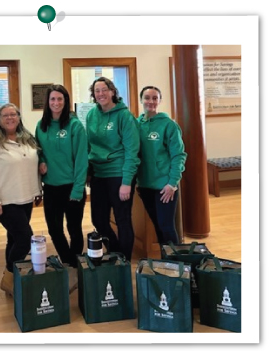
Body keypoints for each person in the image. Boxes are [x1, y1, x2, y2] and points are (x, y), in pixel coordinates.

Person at [0, 103, 42, 297]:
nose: (10, 118)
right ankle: (8, 278)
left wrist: (38, 190)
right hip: (5, 201)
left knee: (13, 238)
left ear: (19, 117)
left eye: (13, 114)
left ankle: (12, 285)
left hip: (25, 197)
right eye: (5, 115)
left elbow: (32, 166)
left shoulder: (27, 139)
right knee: (24, 239)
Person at [86, 77, 140, 262]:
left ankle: (124, 261)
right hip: (98, 174)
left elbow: (132, 151)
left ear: (112, 91)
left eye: (104, 90)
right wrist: (87, 171)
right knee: (98, 220)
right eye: (97, 91)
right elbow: (89, 145)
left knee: (122, 219)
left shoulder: (124, 116)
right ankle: (116, 252)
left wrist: (126, 182)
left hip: (119, 173)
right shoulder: (91, 115)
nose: (100, 94)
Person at [35, 84, 88, 271]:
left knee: (74, 229)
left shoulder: (75, 126)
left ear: (65, 102)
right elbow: (38, 150)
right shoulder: (41, 126)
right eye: (52, 99)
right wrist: (41, 160)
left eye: (60, 99)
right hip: (50, 186)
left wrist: (78, 189)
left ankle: (76, 264)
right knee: (54, 229)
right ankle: (68, 262)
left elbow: (82, 160)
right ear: (47, 102)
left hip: (72, 186)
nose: (56, 103)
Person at [136, 86, 187, 244]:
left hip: (164, 186)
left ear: (159, 101)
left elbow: (178, 155)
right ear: (141, 100)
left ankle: (178, 264)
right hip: (145, 186)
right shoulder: (136, 125)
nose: (151, 101)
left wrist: (172, 183)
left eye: (155, 98)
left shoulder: (169, 125)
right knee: (157, 225)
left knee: (166, 226)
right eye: (147, 97)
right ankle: (166, 262)